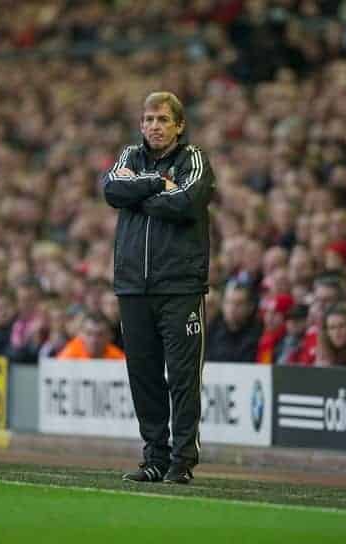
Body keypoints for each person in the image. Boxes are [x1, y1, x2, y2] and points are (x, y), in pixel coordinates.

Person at [103, 91, 215, 485]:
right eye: (149, 119)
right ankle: (154, 457)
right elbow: (111, 190)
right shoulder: (130, 157)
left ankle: (182, 460)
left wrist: (138, 194)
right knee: (144, 376)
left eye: (163, 119)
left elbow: (186, 202)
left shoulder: (193, 159)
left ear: (179, 125)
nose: (154, 126)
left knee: (183, 377)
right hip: (133, 287)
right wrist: (156, 184)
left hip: (180, 287)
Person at [206, 280, 263, 363]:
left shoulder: (259, 335)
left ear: (250, 307)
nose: (232, 308)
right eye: (228, 302)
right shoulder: (212, 331)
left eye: (239, 304)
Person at [56, 311, 124, 360]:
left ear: (110, 336)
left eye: (100, 334)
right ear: (81, 334)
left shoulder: (118, 358)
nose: (94, 340)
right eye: (89, 334)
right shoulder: (69, 355)